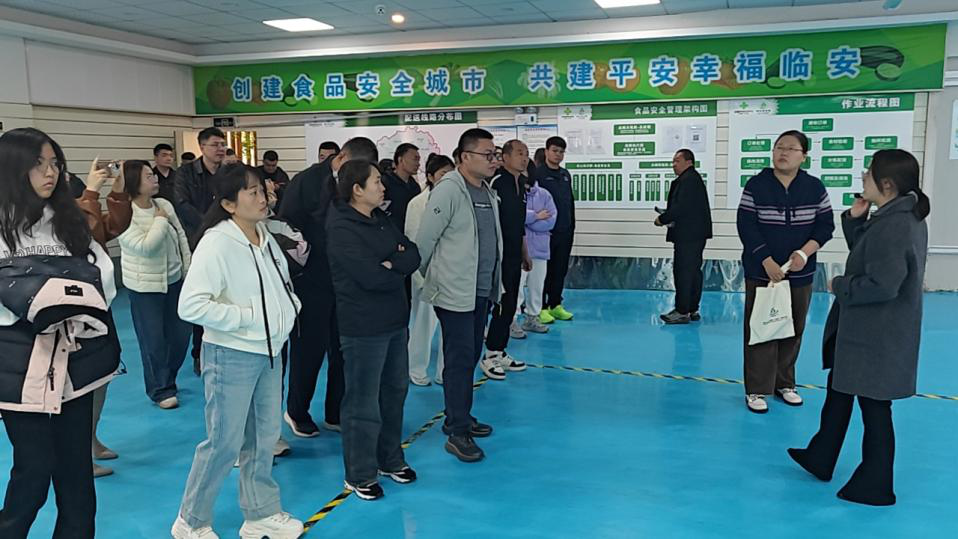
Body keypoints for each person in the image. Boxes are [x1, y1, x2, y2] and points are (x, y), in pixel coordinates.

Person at [788, 149, 929, 506]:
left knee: (875, 407)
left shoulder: (896, 225)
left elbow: (883, 284)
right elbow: (868, 253)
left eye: (869, 173)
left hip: (875, 333)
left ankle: (876, 484)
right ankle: (821, 455)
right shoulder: (896, 216)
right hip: (865, 331)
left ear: (887, 184)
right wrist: (855, 220)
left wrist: (840, 286)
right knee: (839, 389)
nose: (863, 178)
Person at [172, 163, 303, 539]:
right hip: (232, 354)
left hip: (270, 351)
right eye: (253, 192)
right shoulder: (217, 243)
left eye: (263, 190)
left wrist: (289, 309)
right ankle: (191, 520)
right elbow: (190, 305)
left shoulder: (264, 236)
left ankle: (261, 512)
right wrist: (247, 318)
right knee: (223, 443)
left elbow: (282, 285)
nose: (263, 198)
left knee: (264, 437)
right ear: (229, 203)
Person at [0, 127, 119, 537]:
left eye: (54, 163)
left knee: (76, 476)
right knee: (33, 470)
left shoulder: (68, 221)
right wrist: (43, 300)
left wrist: (47, 295)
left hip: (75, 364)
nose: (50, 173)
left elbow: (103, 279)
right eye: (38, 164)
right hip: (19, 369)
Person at [327, 160, 421, 501]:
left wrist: (392, 262)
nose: (383, 187)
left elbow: (413, 254)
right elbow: (370, 277)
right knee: (363, 402)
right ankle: (360, 472)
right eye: (377, 182)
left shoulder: (380, 218)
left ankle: (389, 458)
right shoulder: (341, 226)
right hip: (363, 326)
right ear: (357, 189)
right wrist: (395, 264)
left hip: (395, 321)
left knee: (395, 392)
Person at [279, 137, 378, 437]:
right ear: (341, 157)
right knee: (309, 349)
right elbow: (285, 227)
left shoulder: (358, 185)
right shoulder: (306, 181)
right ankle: (297, 411)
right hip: (312, 281)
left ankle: (336, 411)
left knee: (344, 348)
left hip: (347, 281)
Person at [416, 128, 502, 462]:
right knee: (459, 359)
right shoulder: (449, 190)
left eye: (495, 154)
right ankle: (457, 431)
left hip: (480, 290)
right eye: (487, 154)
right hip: (455, 292)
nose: (493, 160)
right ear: (465, 157)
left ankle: (460, 416)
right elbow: (425, 242)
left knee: (471, 355)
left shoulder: (486, 190)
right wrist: (438, 281)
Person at [736, 130, 834, 414]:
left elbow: (825, 226)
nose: (783, 153)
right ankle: (756, 388)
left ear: (804, 156)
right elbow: (746, 225)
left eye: (791, 148)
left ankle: (785, 383)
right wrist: (766, 260)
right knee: (761, 328)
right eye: (779, 147)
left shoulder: (814, 187)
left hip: (800, 272)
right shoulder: (756, 185)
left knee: (793, 328)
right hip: (762, 272)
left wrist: (804, 253)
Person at [75, 157, 134, 479]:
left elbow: (116, 224)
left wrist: (118, 189)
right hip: (74, 311)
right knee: (84, 382)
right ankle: (80, 451)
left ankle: (91, 438)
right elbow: (86, 226)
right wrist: (90, 193)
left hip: (100, 305)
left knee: (103, 375)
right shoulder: (59, 224)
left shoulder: (87, 220)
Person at [118, 160, 192, 409]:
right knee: (153, 341)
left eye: (153, 175)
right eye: (148, 176)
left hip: (174, 281)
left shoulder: (164, 204)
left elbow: (180, 236)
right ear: (134, 183)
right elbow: (146, 247)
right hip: (145, 288)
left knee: (180, 336)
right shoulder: (125, 214)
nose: (155, 179)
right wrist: (159, 222)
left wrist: (187, 269)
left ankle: (168, 378)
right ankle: (160, 389)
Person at [175, 127, 226, 375]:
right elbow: (182, 205)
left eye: (222, 144)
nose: (221, 149)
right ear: (202, 147)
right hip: (198, 241)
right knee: (203, 295)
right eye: (215, 144)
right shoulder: (185, 173)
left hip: (226, 241)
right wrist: (209, 225)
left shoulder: (228, 173)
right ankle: (199, 352)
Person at [481, 140, 532, 380]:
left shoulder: (522, 184)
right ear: (506, 157)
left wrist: (524, 252)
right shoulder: (496, 183)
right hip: (497, 256)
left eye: (527, 153)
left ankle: (500, 350)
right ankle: (490, 354)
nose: (524, 158)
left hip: (513, 255)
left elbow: (519, 225)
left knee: (511, 304)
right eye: (520, 153)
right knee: (501, 304)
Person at [406, 154, 454, 386]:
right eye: (443, 174)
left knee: (449, 328)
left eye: (450, 174)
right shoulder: (417, 203)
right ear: (431, 177)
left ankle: (444, 372)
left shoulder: (456, 200)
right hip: (425, 275)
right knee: (423, 324)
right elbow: (414, 242)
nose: (447, 179)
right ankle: (416, 369)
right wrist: (420, 279)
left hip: (450, 273)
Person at [656, 149, 713, 325]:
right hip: (695, 233)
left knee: (684, 272)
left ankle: (682, 311)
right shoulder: (692, 179)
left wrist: (662, 219)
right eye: (673, 161)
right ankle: (692, 308)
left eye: (677, 161)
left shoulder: (688, 181)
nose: (674, 165)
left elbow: (680, 208)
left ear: (689, 162)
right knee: (693, 272)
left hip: (688, 235)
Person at [537, 136, 575, 323]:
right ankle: (541, 307)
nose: (558, 155)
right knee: (545, 271)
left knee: (560, 269)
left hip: (565, 231)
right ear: (546, 151)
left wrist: (571, 226)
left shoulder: (565, 174)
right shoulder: (538, 174)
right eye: (554, 151)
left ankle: (555, 304)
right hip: (546, 232)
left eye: (561, 152)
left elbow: (570, 202)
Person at [518, 171, 557, 334]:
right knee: (517, 287)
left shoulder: (545, 194)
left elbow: (550, 220)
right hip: (520, 249)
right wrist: (536, 215)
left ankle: (532, 318)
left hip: (540, 249)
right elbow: (516, 216)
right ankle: (511, 320)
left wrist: (528, 221)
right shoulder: (516, 192)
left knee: (537, 286)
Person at [382, 143, 422, 233]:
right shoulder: (384, 182)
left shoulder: (415, 187)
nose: (418, 164)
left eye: (419, 160)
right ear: (400, 160)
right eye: (415, 159)